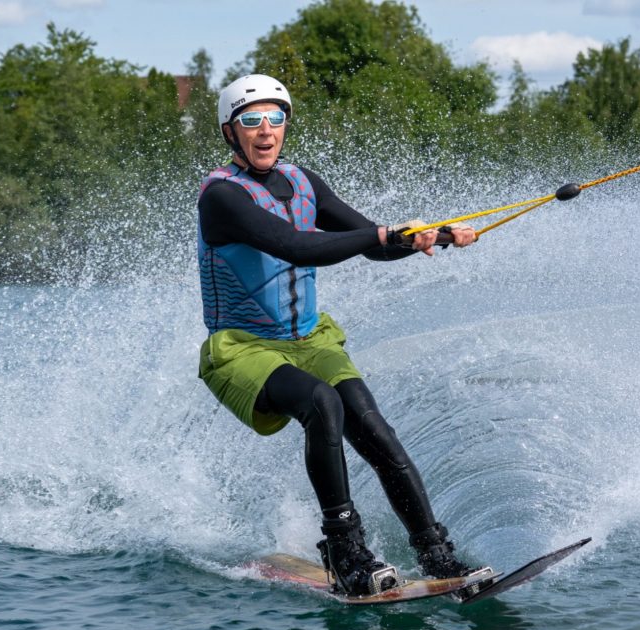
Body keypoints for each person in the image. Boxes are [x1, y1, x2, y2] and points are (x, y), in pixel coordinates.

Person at [197, 74, 480, 596]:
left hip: (310, 340)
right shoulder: (222, 197)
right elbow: (296, 245)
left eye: (275, 119)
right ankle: (346, 551)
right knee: (322, 404)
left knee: (373, 427)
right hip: (241, 348)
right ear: (230, 132)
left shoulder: (304, 182)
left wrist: (430, 237)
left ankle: (436, 553)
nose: (266, 131)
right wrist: (382, 234)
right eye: (251, 121)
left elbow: (374, 243)